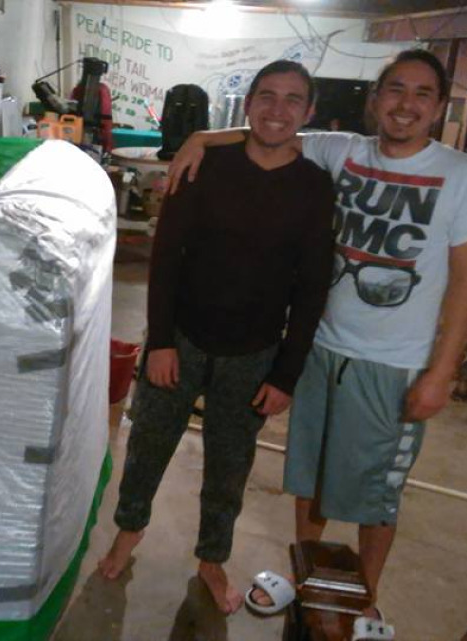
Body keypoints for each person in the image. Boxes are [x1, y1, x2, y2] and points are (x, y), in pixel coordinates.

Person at [166, 49, 467, 628]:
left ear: (441, 107)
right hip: (323, 350)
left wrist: (441, 373)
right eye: (396, 89)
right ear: (375, 98)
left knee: (377, 494)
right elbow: (269, 129)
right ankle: (310, 582)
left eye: (423, 94)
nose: (407, 104)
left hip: (394, 363)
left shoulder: (464, 177)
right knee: (311, 478)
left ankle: (365, 599)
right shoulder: (340, 150)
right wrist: (200, 135)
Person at [96, 60, 336, 614]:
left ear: (309, 113)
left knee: (230, 466)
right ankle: (129, 531)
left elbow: (312, 287)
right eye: (267, 96)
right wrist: (159, 341)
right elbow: (167, 257)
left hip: (253, 354)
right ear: (247, 104)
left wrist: (286, 373)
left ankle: (212, 558)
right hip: (181, 338)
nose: (278, 110)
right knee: (148, 445)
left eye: (292, 100)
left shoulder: (314, 186)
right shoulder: (204, 163)